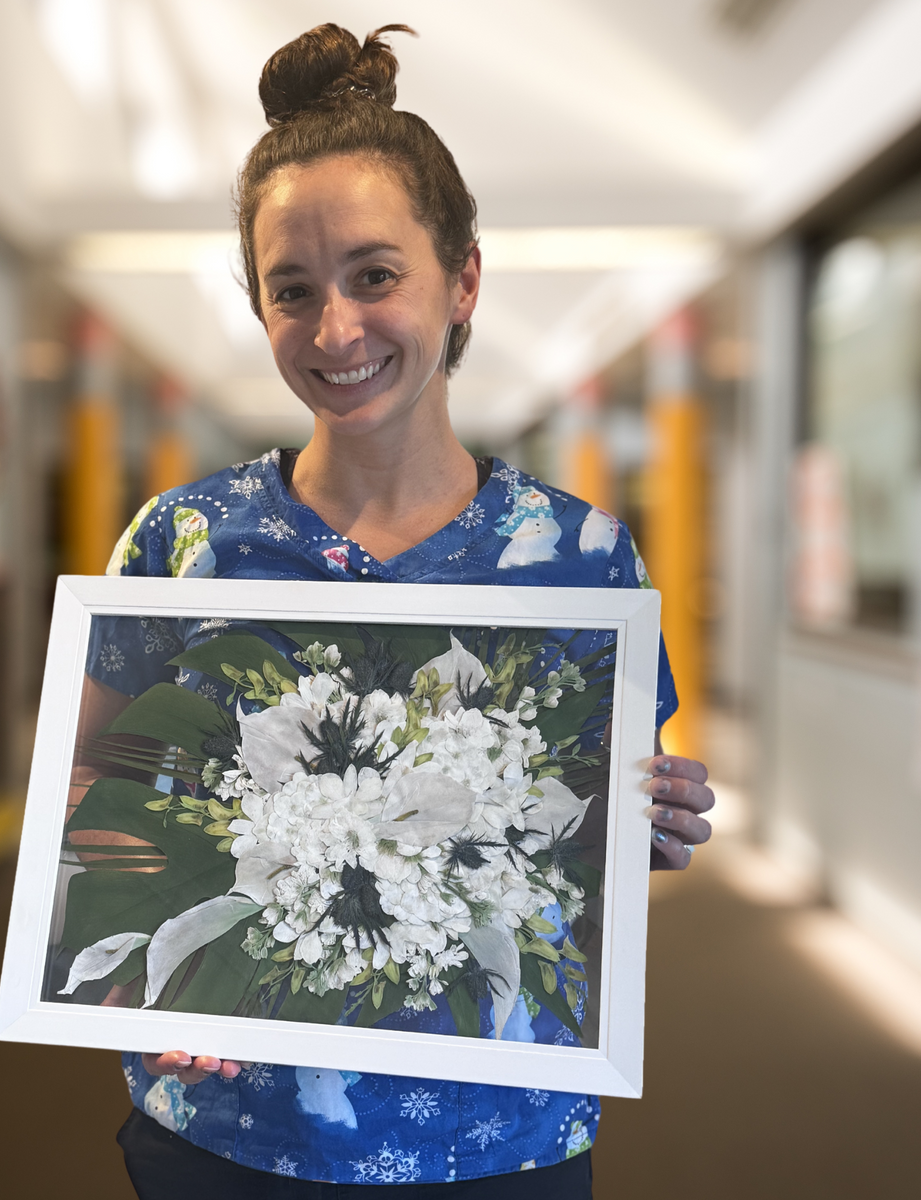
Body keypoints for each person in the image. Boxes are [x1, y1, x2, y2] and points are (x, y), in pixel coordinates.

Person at [94, 22, 714, 1198]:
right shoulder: (183, 544)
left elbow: (593, 827)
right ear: (258, 304)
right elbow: (90, 804)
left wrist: (648, 826)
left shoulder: (581, 558)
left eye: (376, 275)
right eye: (293, 291)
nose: (337, 331)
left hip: (498, 1137)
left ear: (462, 276)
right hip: (227, 1127)